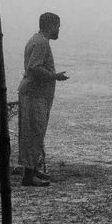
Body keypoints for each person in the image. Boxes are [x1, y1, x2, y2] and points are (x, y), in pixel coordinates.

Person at [17, 13, 68, 187]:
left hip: (36, 93)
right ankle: (28, 175)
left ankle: (32, 170)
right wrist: (54, 76)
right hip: (34, 94)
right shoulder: (41, 42)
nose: (59, 30)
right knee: (33, 132)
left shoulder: (37, 40)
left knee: (35, 132)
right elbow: (33, 67)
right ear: (51, 25)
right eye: (58, 26)